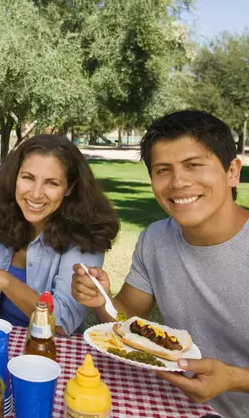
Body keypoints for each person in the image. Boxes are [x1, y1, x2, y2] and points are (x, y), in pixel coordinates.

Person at [71, 110, 249, 417]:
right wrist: (102, 299)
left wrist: (234, 378)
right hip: (175, 404)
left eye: (194, 165)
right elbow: (127, 316)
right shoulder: (155, 238)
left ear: (232, 171)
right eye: (163, 170)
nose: (178, 182)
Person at [0, 134, 119, 334]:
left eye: (52, 183)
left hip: (47, 347)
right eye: (28, 178)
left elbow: (64, 321)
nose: (36, 194)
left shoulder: (86, 232)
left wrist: (6, 281)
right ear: (15, 177)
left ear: (69, 188)